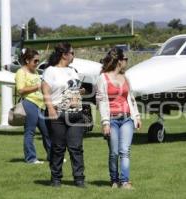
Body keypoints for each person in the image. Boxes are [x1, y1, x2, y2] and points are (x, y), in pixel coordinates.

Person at [96, 48, 142, 189]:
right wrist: (105, 123)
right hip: (112, 119)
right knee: (114, 152)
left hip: (127, 118)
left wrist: (137, 116)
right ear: (119, 61)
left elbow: (131, 98)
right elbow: (101, 102)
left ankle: (125, 181)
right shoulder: (102, 78)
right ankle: (114, 180)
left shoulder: (125, 77)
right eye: (125, 59)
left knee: (124, 151)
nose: (127, 61)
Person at [42, 42, 86, 188]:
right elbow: (46, 91)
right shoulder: (50, 71)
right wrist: (50, 108)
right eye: (72, 53)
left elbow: (71, 88)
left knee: (76, 147)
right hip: (58, 114)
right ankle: (56, 179)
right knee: (58, 147)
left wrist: (80, 92)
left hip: (75, 114)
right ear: (64, 54)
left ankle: (79, 179)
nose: (74, 55)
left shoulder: (73, 70)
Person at [15, 48, 51, 164]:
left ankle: (53, 156)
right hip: (29, 104)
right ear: (27, 60)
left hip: (41, 105)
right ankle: (31, 158)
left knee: (47, 132)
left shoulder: (35, 72)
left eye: (38, 61)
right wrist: (37, 87)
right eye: (35, 61)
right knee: (30, 132)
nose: (37, 64)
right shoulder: (21, 72)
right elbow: (20, 90)